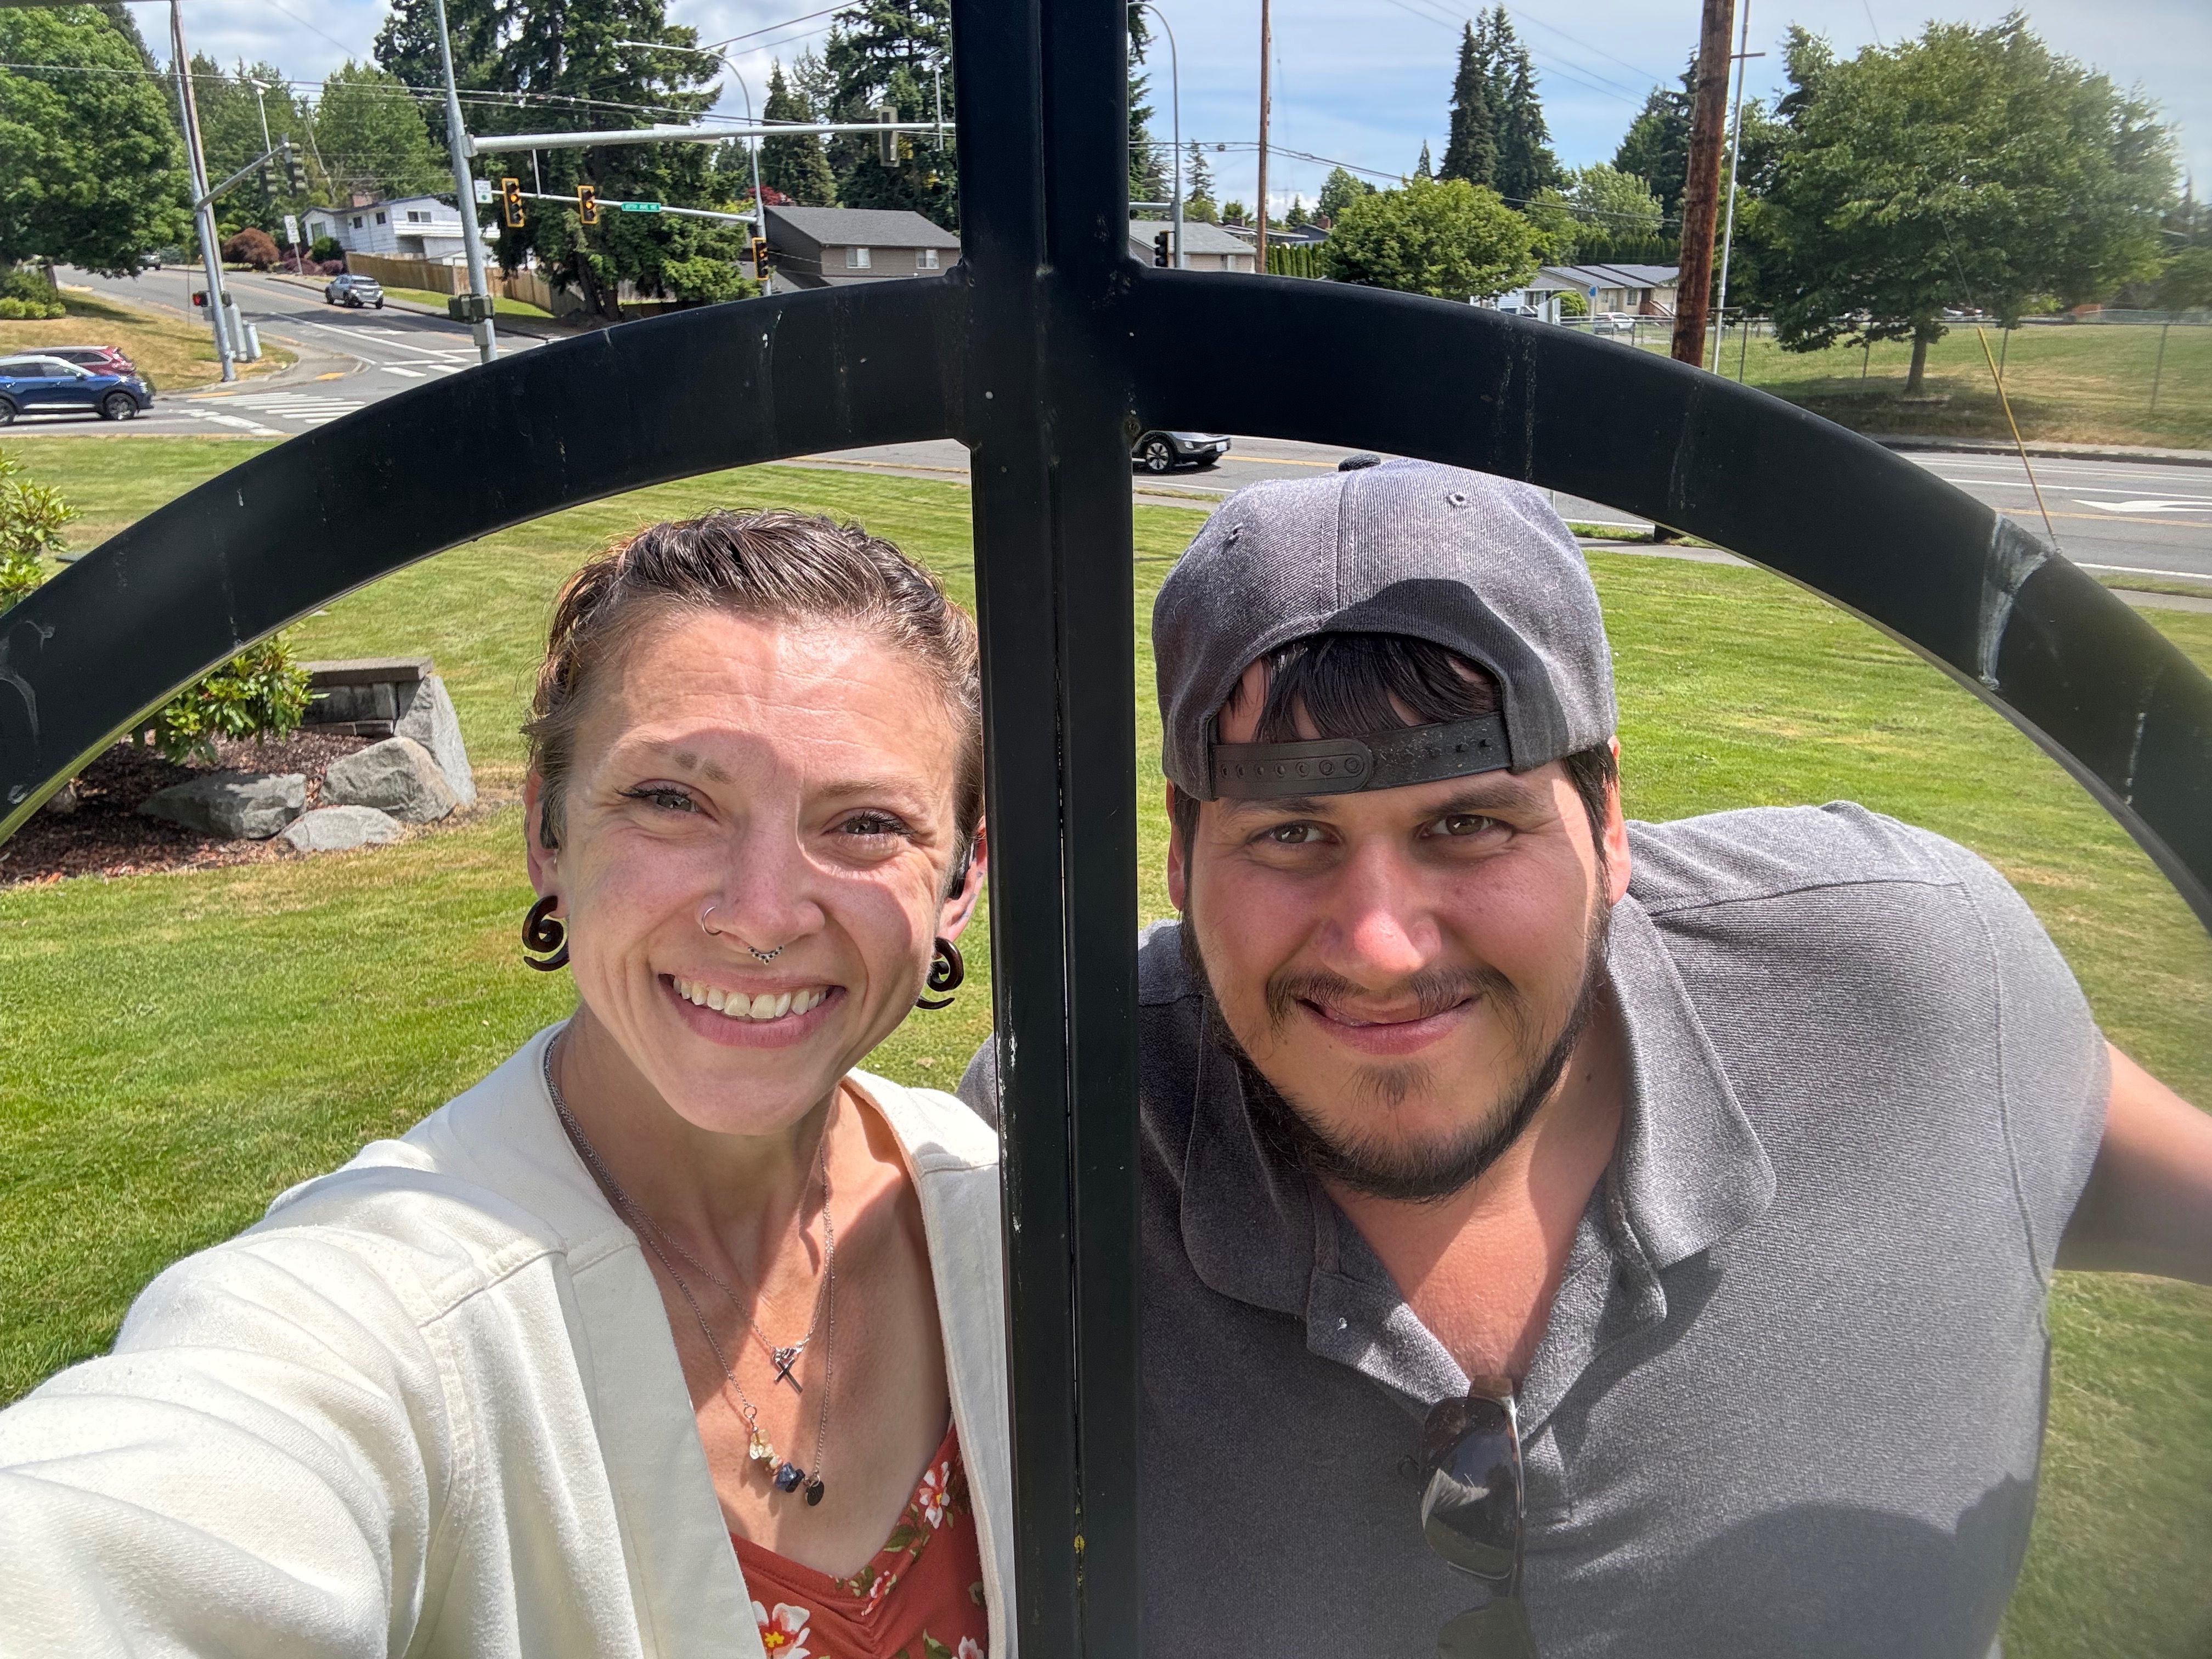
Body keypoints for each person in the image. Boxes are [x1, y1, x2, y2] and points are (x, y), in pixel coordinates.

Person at [963, 459, 2212, 1657]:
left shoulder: (1909, 985)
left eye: (1468, 822)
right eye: (1293, 834)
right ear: (1182, 853)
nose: (1382, 947)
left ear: (1608, 819)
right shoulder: (1055, 1130)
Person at [1, 510, 1012, 1658]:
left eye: (867, 822)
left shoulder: (998, 1212)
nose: (763, 913)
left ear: (960, 880)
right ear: (546, 829)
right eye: (672, 800)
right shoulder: (388, 1313)